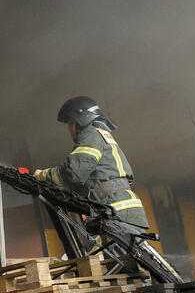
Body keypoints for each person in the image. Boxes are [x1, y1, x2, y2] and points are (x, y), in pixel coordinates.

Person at [33, 96, 150, 235]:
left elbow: (73, 173)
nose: (69, 129)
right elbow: (82, 183)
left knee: (116, 257)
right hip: (123, 210)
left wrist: (44, 175)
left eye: (71, 124)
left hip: (115, 211)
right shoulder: (101, 135)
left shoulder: (91, 135)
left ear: (81, 119)